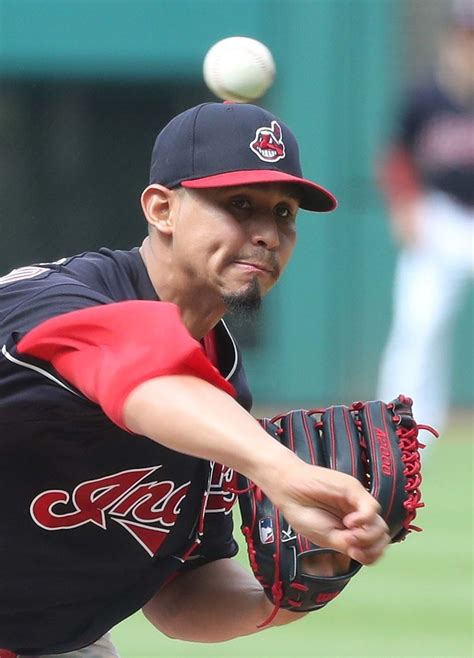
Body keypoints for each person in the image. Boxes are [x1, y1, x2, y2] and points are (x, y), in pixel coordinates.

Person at [0, 101, 389, 656]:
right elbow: (142, 373)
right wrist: (282, 471)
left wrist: (293, 592)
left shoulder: (219, 386)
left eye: (283, 214)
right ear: (162, 209)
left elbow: (180, 596)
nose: (267, 235)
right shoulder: (55, 303)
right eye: (238, 205)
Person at [376, 2, 474, 443]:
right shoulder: (424, 95)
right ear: (450, 38)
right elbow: (396, 155)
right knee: (418, 329)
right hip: (442, 217)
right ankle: (397, 439)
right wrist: (404, 207)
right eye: (464, 34)